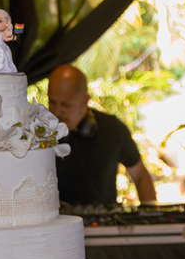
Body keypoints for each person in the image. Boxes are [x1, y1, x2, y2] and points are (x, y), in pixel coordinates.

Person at [46, 64, 158, 205]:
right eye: (52, 102)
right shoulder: (38, 134)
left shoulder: (113, 129)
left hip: (105, 219)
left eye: (66, 105)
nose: (57, 111)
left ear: (86, 100)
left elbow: (141, 177)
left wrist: (149, 213)